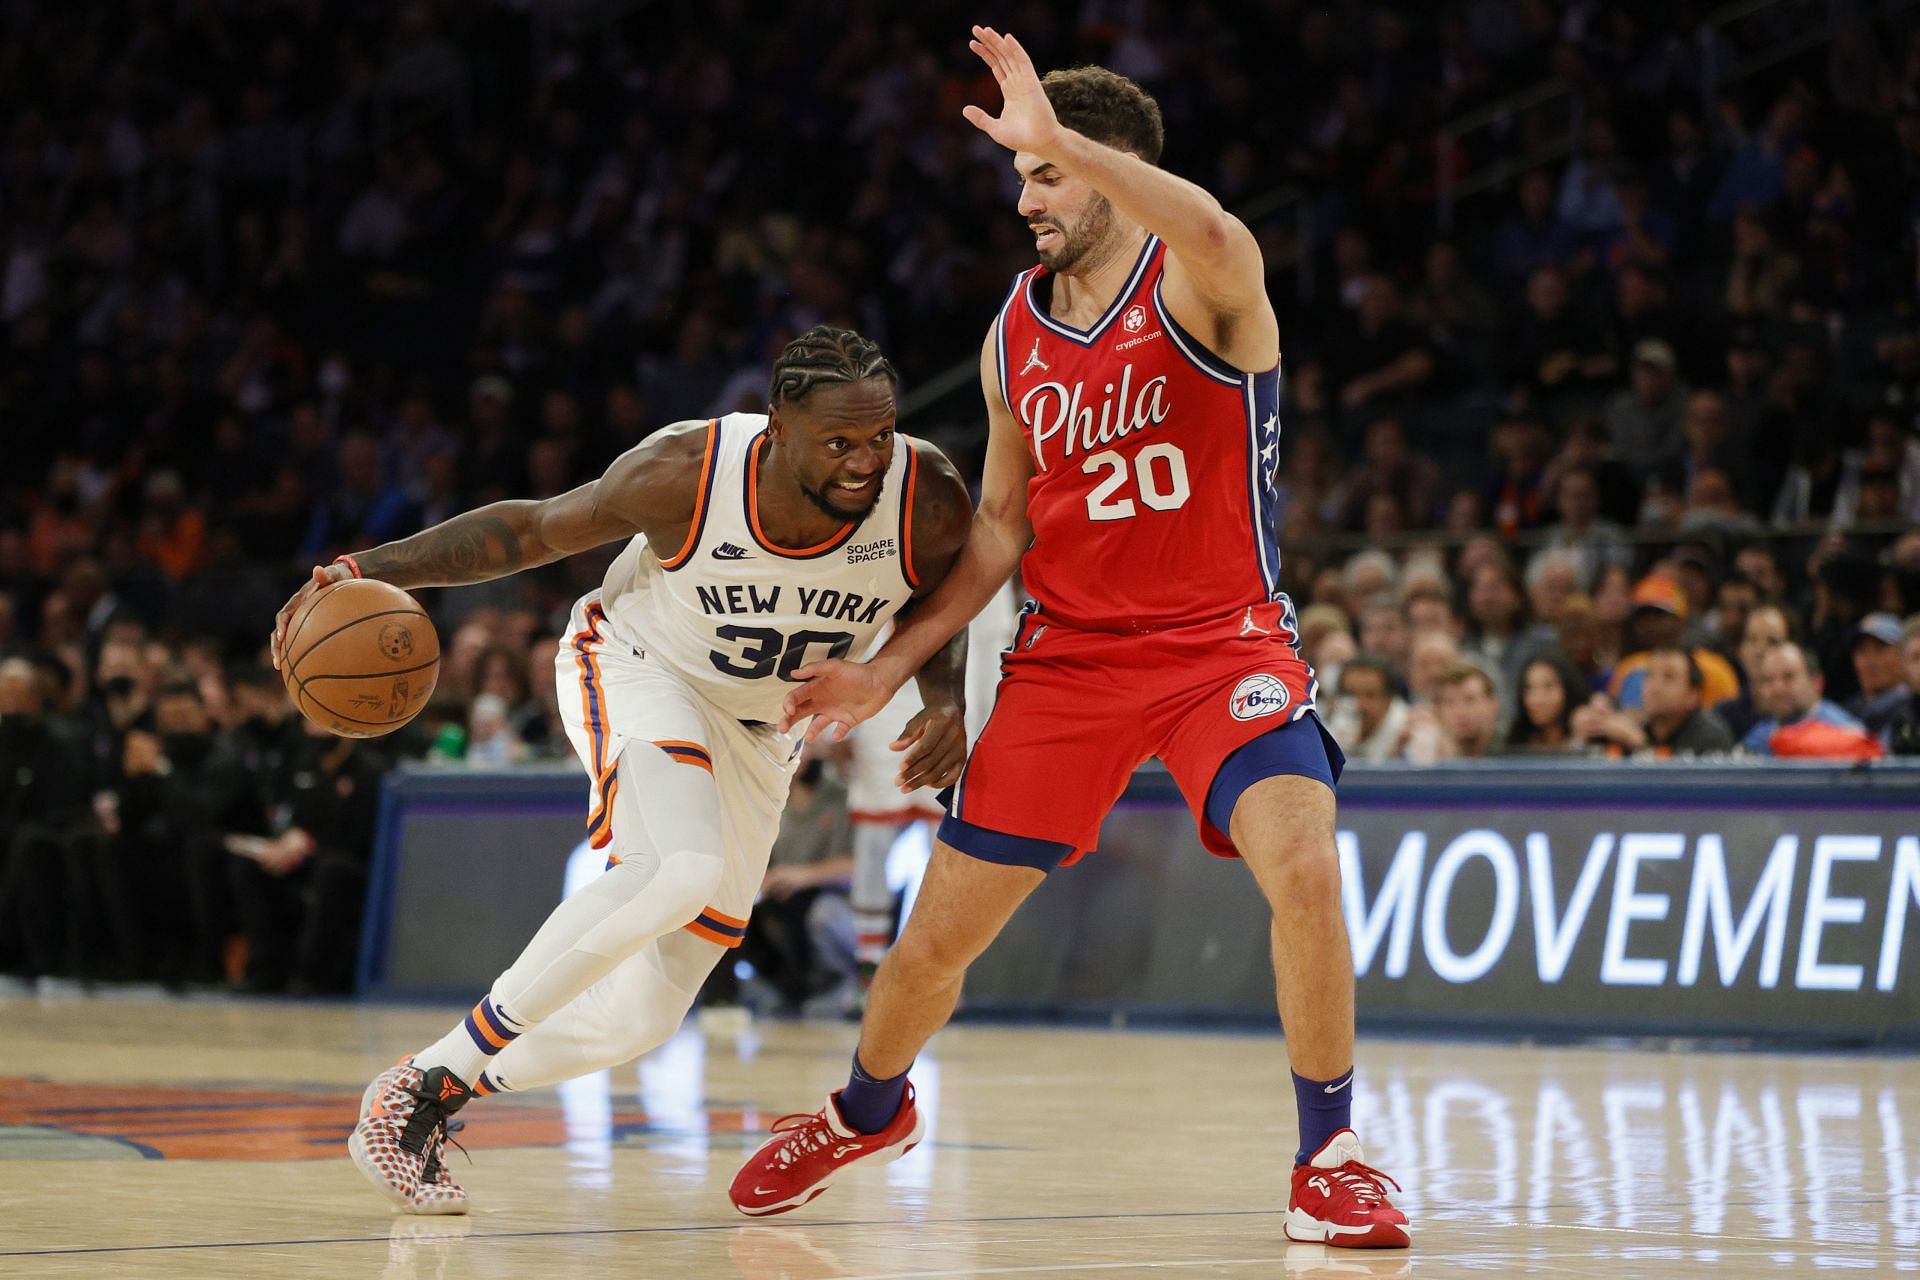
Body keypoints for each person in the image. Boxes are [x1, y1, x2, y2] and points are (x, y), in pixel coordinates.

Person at [733, 36, 1407, 1248]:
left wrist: (1061, 131)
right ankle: (863, 1109)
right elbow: (998, 524)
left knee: (1303, 858)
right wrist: (890, 665)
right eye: (1024, 181)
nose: (1027, 200)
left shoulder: (1208, 277)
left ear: (1111, 170)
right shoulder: (1011, 335)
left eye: (1045, 177)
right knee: (936, 939)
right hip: (1070, 660)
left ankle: (1332, 1154)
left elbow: (1206, 224)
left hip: (1222, 644)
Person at [270, 326, 973, 1214]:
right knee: (676, 868)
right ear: (776, 427)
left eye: (879, 436)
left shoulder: (926, 495)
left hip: (762, 731)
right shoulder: (686, 472)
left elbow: (944, 598)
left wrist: (942, 696)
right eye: (839, 442)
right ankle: (422, 1089)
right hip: (641, 664)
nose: (865, 462)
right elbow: (528, 530)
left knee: (643, 1017)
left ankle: (429, 1091)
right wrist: (358, 568)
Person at [1572, 646, 1736, 758]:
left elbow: (1680, 796)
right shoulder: (1638, 726)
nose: (1654, 688)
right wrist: (1586, 734)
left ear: (1693, 695)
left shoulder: (1711, 736)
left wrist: (1640, 745)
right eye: (1649, 675)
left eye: (1669, 677)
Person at [1743, 642, 1877, 759]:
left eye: (1788, 677)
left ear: (1816, 683)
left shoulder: (1847, 733)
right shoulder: (1758, 735)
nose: (1778, 688)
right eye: (1769, 680)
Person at [1503, 653, 1586, 754]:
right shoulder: (1514, 743)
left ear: (1568, 689)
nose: (1537, 700)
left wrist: (1579, 739)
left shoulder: (1588, 735)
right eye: (1528, 688)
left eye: (1548, 686)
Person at [1847, 613, 1911, 737]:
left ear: (1903, 655)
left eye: (1880, 649)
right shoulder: (1846, 710)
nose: (1870, 661)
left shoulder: (1912, 710)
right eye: (1862, 650)